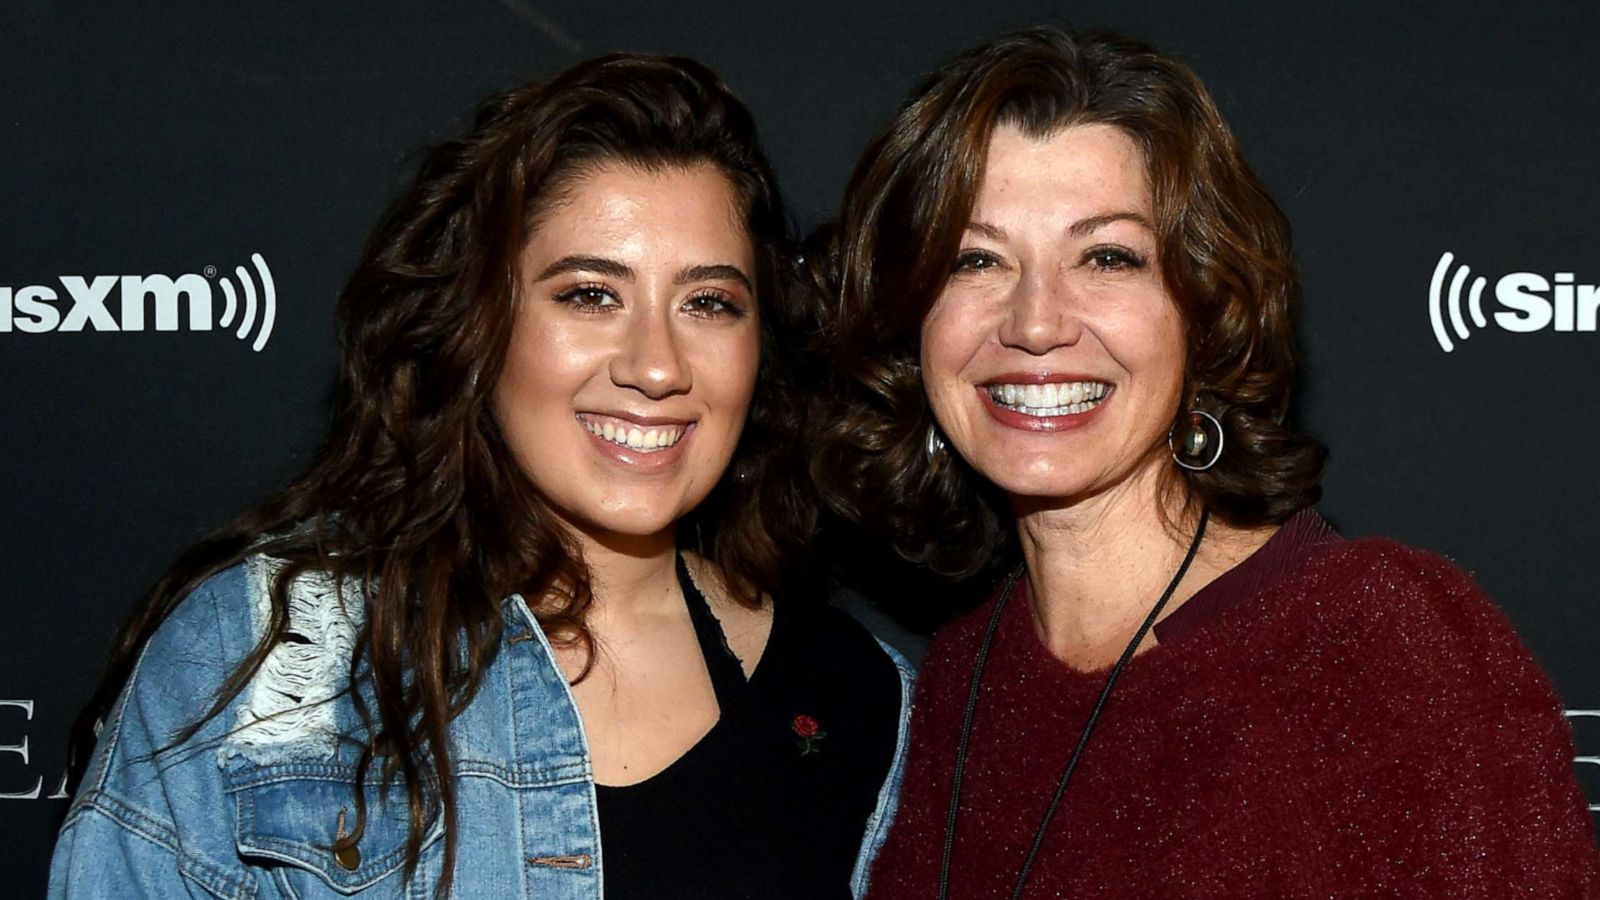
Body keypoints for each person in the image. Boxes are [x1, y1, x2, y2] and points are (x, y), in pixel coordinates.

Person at [50, 53, 910, 900]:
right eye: (589, 295)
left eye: (708, 303)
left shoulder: (861, 695)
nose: (656, 366)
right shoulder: (270, 652)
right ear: (481, 321)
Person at [812, 26, 1600, 898]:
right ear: (910, 319)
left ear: (1201, 307)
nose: (1035, 322)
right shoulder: (962, 683)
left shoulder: (1384, 651)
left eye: (1106, 257)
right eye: (976, 259)